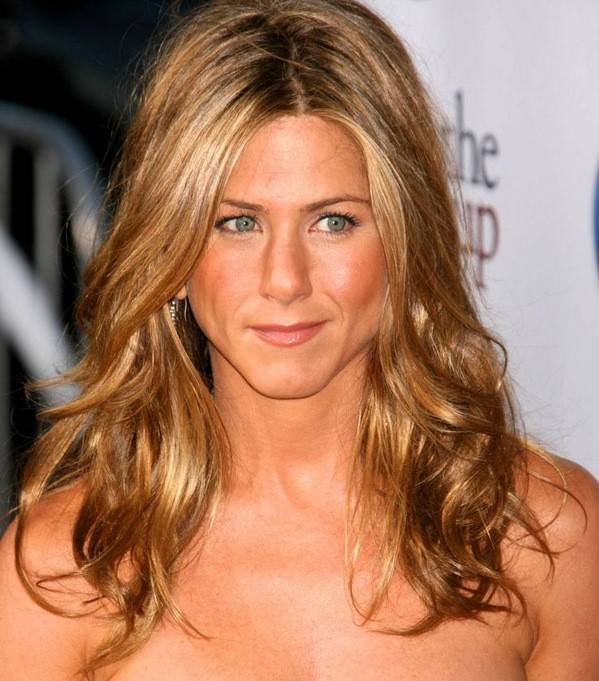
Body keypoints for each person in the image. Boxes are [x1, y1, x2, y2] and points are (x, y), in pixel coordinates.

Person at [1, 0, 598, 679]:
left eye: (333, 222)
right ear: (172, 256)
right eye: (238, 223)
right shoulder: (64, 574)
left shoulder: (544, 539)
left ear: (405, 243)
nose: (284, 279)